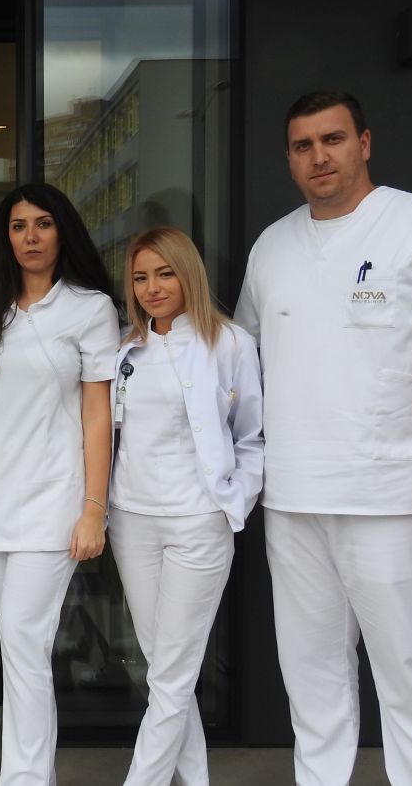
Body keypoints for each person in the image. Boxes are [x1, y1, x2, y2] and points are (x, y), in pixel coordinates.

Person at [235, 91, 412, 786]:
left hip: (397, 498)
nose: (318, 157)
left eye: (332, 139)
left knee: (410, 676)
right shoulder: (272, 247)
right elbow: (240, 359)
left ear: (364, 142)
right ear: (289, 159)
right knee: (311, 677)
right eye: (302, 145)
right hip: (294, 498)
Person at [0, 183, 120, 786]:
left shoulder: (90, 309)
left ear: (62, 231)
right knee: (18, 646)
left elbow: (98, 416)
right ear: (5, 237)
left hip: (53, 501)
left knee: (24, 643)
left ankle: (23, 779)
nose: (31, 237)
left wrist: (94, 507)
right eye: (19, 226)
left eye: (43, 224)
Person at [110, 226, 263, 786]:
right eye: (140, 277)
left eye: (164, 273)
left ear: (188, 274)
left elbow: (252, 436)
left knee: (171, 675)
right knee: (164, 669)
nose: (152, 288)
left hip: (198, 522)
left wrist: (232, 501)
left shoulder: (230, 343)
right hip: (132, 521)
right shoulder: (124, 349)